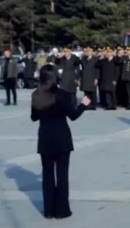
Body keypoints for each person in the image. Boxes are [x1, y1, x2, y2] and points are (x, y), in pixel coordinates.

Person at [30, 65, 89, 219]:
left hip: (45, 139)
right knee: (62, 176)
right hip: (62, 139)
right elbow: (73, 115)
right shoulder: (61, 94)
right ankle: (62, 210)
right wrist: (84, 104)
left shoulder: (36, 94)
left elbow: (34, 117)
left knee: (47, 176)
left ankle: (48, 211)